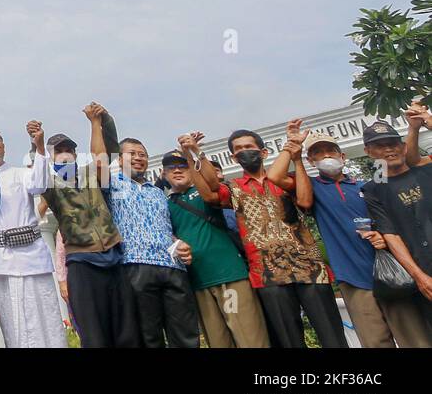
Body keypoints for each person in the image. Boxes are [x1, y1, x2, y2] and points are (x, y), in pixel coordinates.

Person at [191, 126, 346, 348]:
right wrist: (194, 154)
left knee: (332, 337)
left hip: (309, 268)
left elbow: (305, 202)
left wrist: (295, 155)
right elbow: (209, 193)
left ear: (263, 152)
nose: (245, 151)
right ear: (233, 158)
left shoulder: (287, 179)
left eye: (249, 146)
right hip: (267, 273)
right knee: (289, 342)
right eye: (239, 149)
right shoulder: (233, 188)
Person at [284, 120, 428, 348]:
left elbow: (390, 215)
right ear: (311, 160)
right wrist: (294, 154)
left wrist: (382, 237)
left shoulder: (367, 186)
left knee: (415, 339)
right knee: (375, 342)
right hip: (352, 276)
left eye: (331, 150)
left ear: (342, 156)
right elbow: (281, 182)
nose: (326, 156)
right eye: (318, 153)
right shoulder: (313, 188)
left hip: (394, 272)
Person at [38, 103, 138, 348]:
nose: (64, 154)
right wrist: (38, 145)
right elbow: (37, 176)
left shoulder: (91, 174)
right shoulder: (51, 185)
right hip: (82, 263)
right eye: (58, 151)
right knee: (94, 335)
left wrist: (102, 120)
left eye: (68, 150)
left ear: (75, 154)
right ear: (51, 158)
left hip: (113, 257)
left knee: (127, 332)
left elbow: (106, 155)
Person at [164, 140, 269, 348]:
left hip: (229, 277)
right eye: (171, 167)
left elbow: (213, 182)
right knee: (218, 342)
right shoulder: (165, 204)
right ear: (164, 174)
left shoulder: (205, 194)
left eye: (182, 166)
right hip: (198, 282)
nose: (177, 170)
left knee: (250, 338)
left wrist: (193, 153)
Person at [107, 131, 200, 348]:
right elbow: (100, 157)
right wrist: (98, 122)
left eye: (143, 154)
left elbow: (165, 227)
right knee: (149, 337)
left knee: (186, 334)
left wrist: (179, 243)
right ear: (119, 160)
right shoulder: (112, 186)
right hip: (135, 266)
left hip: (173, 266)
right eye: (132, 154)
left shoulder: (158, 193)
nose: (138, 158)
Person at [0, 121, 65, 348]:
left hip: (32, 256)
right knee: (14, 322)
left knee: (46, 317)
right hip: (2, 260)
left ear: (4, 146)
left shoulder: (20, 173)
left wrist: (39, 146)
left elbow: (40, 184)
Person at [361, 109, 432, 345]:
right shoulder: (373, 190)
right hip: (426, 273)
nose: (388, 150)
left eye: (392, 143)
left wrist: (419, 125)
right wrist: (420, 277)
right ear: (368, 151)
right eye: (380, 146)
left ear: (403, 146)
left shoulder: (427, 171)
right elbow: (390, 234)